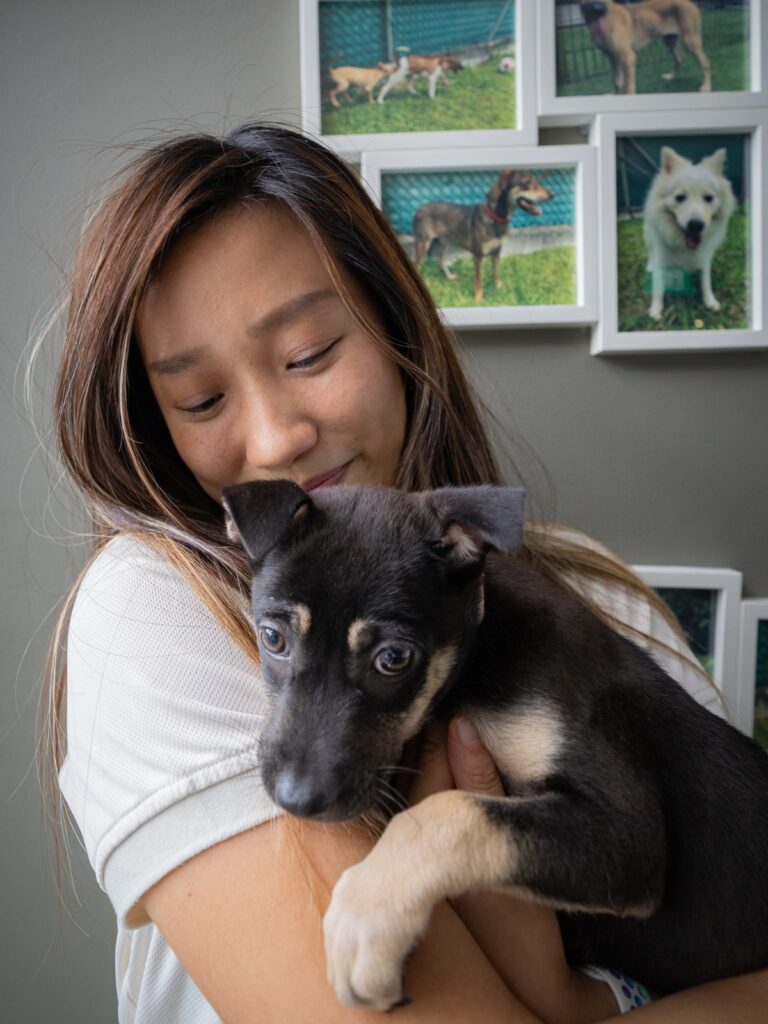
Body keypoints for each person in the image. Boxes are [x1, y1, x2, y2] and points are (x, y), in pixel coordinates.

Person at [38, 122, 767, 1024]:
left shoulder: (602, 603)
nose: (275, 442)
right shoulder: (154, 613)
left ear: (395, 325)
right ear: (157, 422)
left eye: (310, 354)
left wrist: (576, 1000)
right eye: (201, 399)